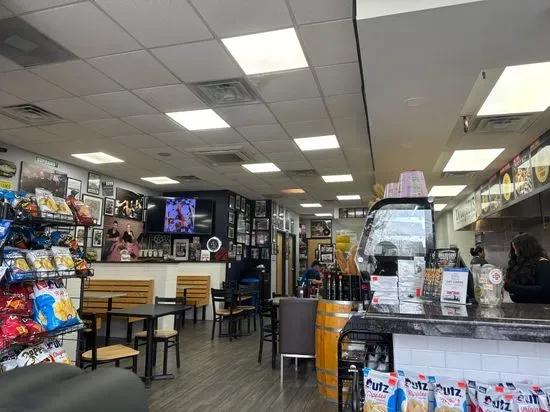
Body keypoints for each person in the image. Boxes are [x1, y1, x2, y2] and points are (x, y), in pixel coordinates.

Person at [504, 233, 550, 303]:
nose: (515, 253)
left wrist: (513, 287)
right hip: (522, 306)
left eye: (517, 250)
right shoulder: (522, 264)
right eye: (514, 250)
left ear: (526, 249)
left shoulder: (543, 263)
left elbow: (544, 290)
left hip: (539, 307)